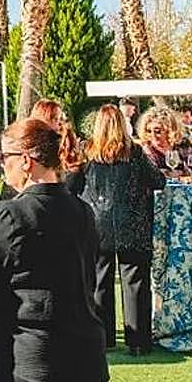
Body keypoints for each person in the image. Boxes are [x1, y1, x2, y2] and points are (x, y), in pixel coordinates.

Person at [0, 118, 107, 382]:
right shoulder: (82, 210)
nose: (0, 163)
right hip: (85, 350)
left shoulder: (10, 214)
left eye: (4, 157)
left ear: (25, 161)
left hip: (34, 354)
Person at [67, 104, 165, 356]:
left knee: (100, 282)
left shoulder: (87, 152)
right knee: (136, 283)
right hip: (132, 223)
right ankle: (138, 341)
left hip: (96, 224)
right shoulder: (134, 152)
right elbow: (158, 181)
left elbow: (71, 186)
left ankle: (104, 338)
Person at [29, 98, 84, 175]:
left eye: (61, 119)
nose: (59, 123)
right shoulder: (33, 150)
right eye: (55, 119)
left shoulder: (65, 142)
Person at [136, 109, 176, 175]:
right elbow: (153, 174)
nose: (153, 135)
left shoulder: (181, 146)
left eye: (158, 131)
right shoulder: (146, 151)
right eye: (149, 131)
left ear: (169, 131)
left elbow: (191, 165)